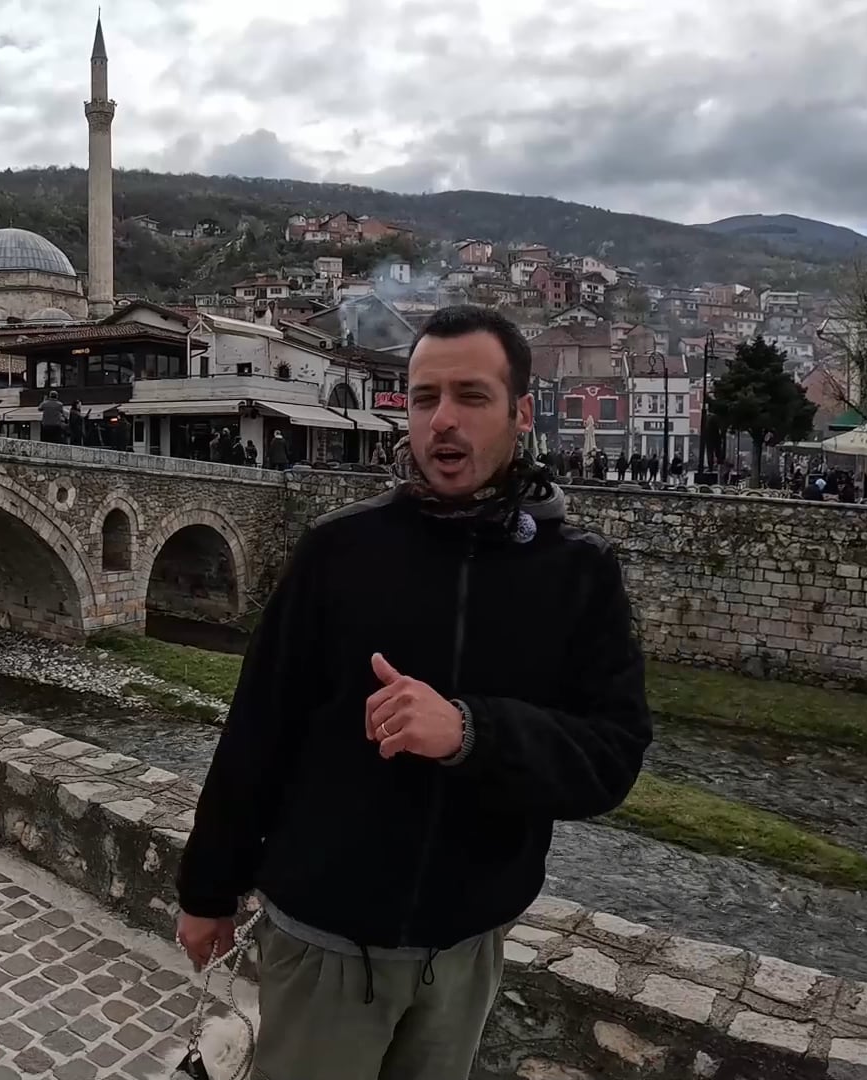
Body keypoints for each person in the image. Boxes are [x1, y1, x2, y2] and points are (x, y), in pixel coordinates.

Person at [176, 305, 650, 1080]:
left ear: (521, 413)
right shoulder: (340, 552)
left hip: (465, 948)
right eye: (425, 397)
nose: (443, 420)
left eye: (471, 396)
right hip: (325, 943)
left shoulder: (578, 574)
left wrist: (471, 732)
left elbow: (613, 756)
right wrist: (207, 890)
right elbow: (258, 731)